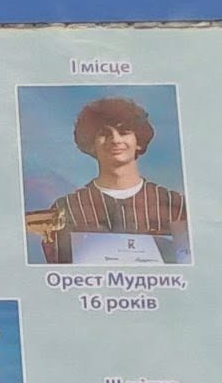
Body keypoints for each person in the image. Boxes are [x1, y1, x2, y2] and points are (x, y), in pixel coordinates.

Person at [30, 96, 188, 264]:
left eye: (124, 132)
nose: (115, 140)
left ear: (139, 142)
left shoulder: (175, 205)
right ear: (91, 144)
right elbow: (59, 270)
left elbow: (188, 266)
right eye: (104, 134)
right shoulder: (67, 208)